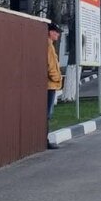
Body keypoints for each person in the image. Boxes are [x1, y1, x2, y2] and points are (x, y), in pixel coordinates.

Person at [46, 22, 63, 150]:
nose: (58, 34)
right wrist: (57, 78)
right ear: (50, 32)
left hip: (51, 85)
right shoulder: (48, 45)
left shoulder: (50, 44)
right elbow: (51, 66)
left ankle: (45, 139)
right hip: (50, 85)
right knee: (47, 113)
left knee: (48, 113)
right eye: (56, 32)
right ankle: (45, 140)